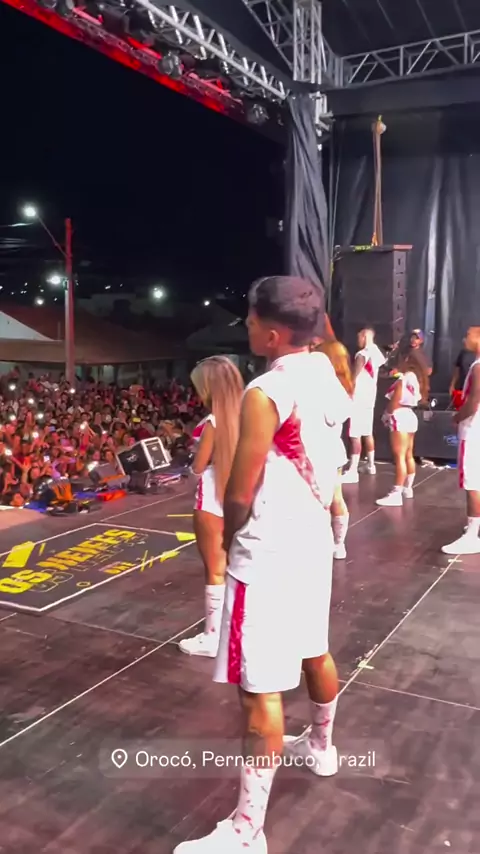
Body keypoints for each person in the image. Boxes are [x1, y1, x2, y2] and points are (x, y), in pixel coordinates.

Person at [174, 277, 351, 854]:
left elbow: (240, 488)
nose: (246, 327)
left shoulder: (266, 391)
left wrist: (228, 538)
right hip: (312, 542)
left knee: (259, 694)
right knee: (315, 650)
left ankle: (248, 831)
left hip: (268, 552)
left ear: (272, 334)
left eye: (251, 320)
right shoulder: (326, 372)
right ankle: (321, 748)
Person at [179, 356, 244, 658]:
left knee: (215, 570)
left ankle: (213, 637)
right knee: (238, 567)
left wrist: (190, 470)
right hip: (243, 495)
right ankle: (234, 630)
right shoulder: (250, 415)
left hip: (212, 497)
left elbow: (197, 467)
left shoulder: (212, 423)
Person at [312, 338, 352, 559]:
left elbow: (330, 416)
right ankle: (338, 544)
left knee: (324, 500)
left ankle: (335, 543)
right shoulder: (342, 385)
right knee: (335, 497)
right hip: (331, 449)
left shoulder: (327, 386)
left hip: (320, 449)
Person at [442, 326, 480, 555]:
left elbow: (473, 402)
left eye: (468, 334)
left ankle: (472, 535)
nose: (464, 338)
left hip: (473, 429)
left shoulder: (478, 367)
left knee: (472, 482)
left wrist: (457, 418)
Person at [376, 353, 429, 507]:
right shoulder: (417, 379)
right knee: (408, 455)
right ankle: (407, 488)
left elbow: (395, 401)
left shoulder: (403, 379)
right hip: (410, 416)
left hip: (399, 416)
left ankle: (396, 493)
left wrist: (386, 415)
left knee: (399, 456)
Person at [343, 327, 385, 483]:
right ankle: (371, 465)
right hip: (370, 398)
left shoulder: (362, 354)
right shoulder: (377, 353)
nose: (357, 340)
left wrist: (348, 391)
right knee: (367, 432)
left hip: (359, 398)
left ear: (364, 337)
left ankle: (353, 470)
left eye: (359, 337)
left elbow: (354, 377)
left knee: (355, 434)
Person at [449, 342, 475, 411]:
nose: (464, 340)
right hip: (463, 387)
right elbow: (457, 369)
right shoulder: (463, 352)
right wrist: (452, 384)